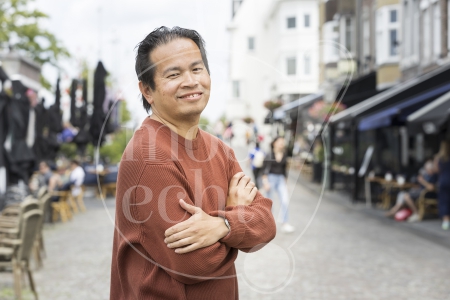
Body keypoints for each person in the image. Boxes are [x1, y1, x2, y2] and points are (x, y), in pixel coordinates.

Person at [110, 26, 276, 300]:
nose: (190, 81)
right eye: (174, 74)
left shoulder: (219, 150)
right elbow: (194, 264)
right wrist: (238, 215)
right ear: (147, 90)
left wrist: (223, 226)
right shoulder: (149, 155)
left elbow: (267, 224)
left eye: (197, 69)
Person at [262, 136, 295, 233]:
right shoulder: (269, 154)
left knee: (285, 200)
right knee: (269, 203)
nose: (282, 144)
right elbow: (264, 170)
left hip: (280, 179)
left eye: (283, 142)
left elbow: (285, 170)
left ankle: (285, 223)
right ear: (274, 143)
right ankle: (268, 225)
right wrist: (265, 182)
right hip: (270, 178)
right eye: (280, 142)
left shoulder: (284, 154)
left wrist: (286, 183)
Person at [434, 141, 450, 230]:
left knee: (444, 200)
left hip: (443, 181)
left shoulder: (438, 158)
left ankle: (446, 221)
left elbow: (436, 170)